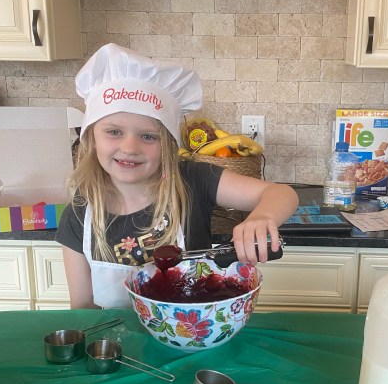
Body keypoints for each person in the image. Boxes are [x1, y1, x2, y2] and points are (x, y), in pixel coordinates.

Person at [56, 43, 299, 309]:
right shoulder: (79, 215)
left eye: (148, 136)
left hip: (193, 331)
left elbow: (282, 194)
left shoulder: (193, 181)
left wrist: (262, 217)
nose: (130, 148)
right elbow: (82, 309)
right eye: (114, 132)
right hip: (115, 335)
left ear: (169, 145)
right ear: (91, 137)